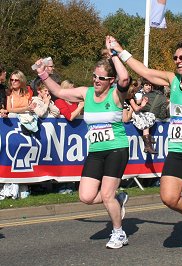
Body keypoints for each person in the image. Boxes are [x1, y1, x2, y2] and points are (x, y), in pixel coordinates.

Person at [109, 36, 182, 257]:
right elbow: (143, 71)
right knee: (169, 197)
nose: (178, 61)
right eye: (176, 57)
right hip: (176, 148)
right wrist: (119, 50)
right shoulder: (172, 79)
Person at [32, 36, 131, 249]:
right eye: (94, 76)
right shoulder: (85, 93)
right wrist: (42, 73)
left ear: (109, 81)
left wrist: (114, 54)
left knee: (106, 195)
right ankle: (118, 198)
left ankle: (118, 232)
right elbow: (58, 91)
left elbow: (124, 78)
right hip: (96, 151)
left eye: (101, 78)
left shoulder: (116, 95)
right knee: (86, 196)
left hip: (116, 149)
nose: (96, 80)